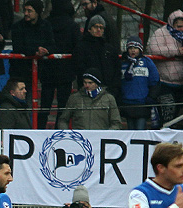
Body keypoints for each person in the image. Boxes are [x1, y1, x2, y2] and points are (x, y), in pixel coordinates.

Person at [147, 10, 183, 129]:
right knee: (167, 111)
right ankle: (163, 132)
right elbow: (153, 49)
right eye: (179, 26)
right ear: (172, 24)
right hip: (165, 82)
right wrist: (176, 51)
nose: (182, 29)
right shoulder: (160, 33)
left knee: (181, 112)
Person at [38, 0, 79, 129]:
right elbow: (77, 47)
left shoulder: (46, 23)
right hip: (65, 71)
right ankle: (59, 131)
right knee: (63, 107)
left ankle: (40, 130)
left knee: (44, 105)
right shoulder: (73, 26)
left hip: (47, 70)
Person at [9, 0, 53, 100]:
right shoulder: (17, 26)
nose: (26, 13)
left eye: (29, 11)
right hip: (20, 72)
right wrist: (35, 51)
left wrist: (46, 50)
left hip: (39, 71)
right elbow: (18, 47)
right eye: (25, 10)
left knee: (32, 100)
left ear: (37, 12)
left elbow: (52, 45)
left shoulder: (46, 26)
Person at [72, 14, 119, 101]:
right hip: (87, 90)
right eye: (96, 27)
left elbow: (116, 69)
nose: (98, 30)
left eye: (101, 27)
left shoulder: (109, 48)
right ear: (89, 29)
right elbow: (79, 68)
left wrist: (114, 89)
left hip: (108, 91)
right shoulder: (81, 47)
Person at [119, 36, 159, 130]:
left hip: (142, 102)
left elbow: (155, 80)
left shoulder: (147, 62)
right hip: (127, 102)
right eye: (130, 48)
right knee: (130, 129)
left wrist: (151, 97)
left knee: (140, 129)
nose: (133, 50)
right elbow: (119, 81)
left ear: (140, 49)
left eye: (136, 48)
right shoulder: (123, 63)